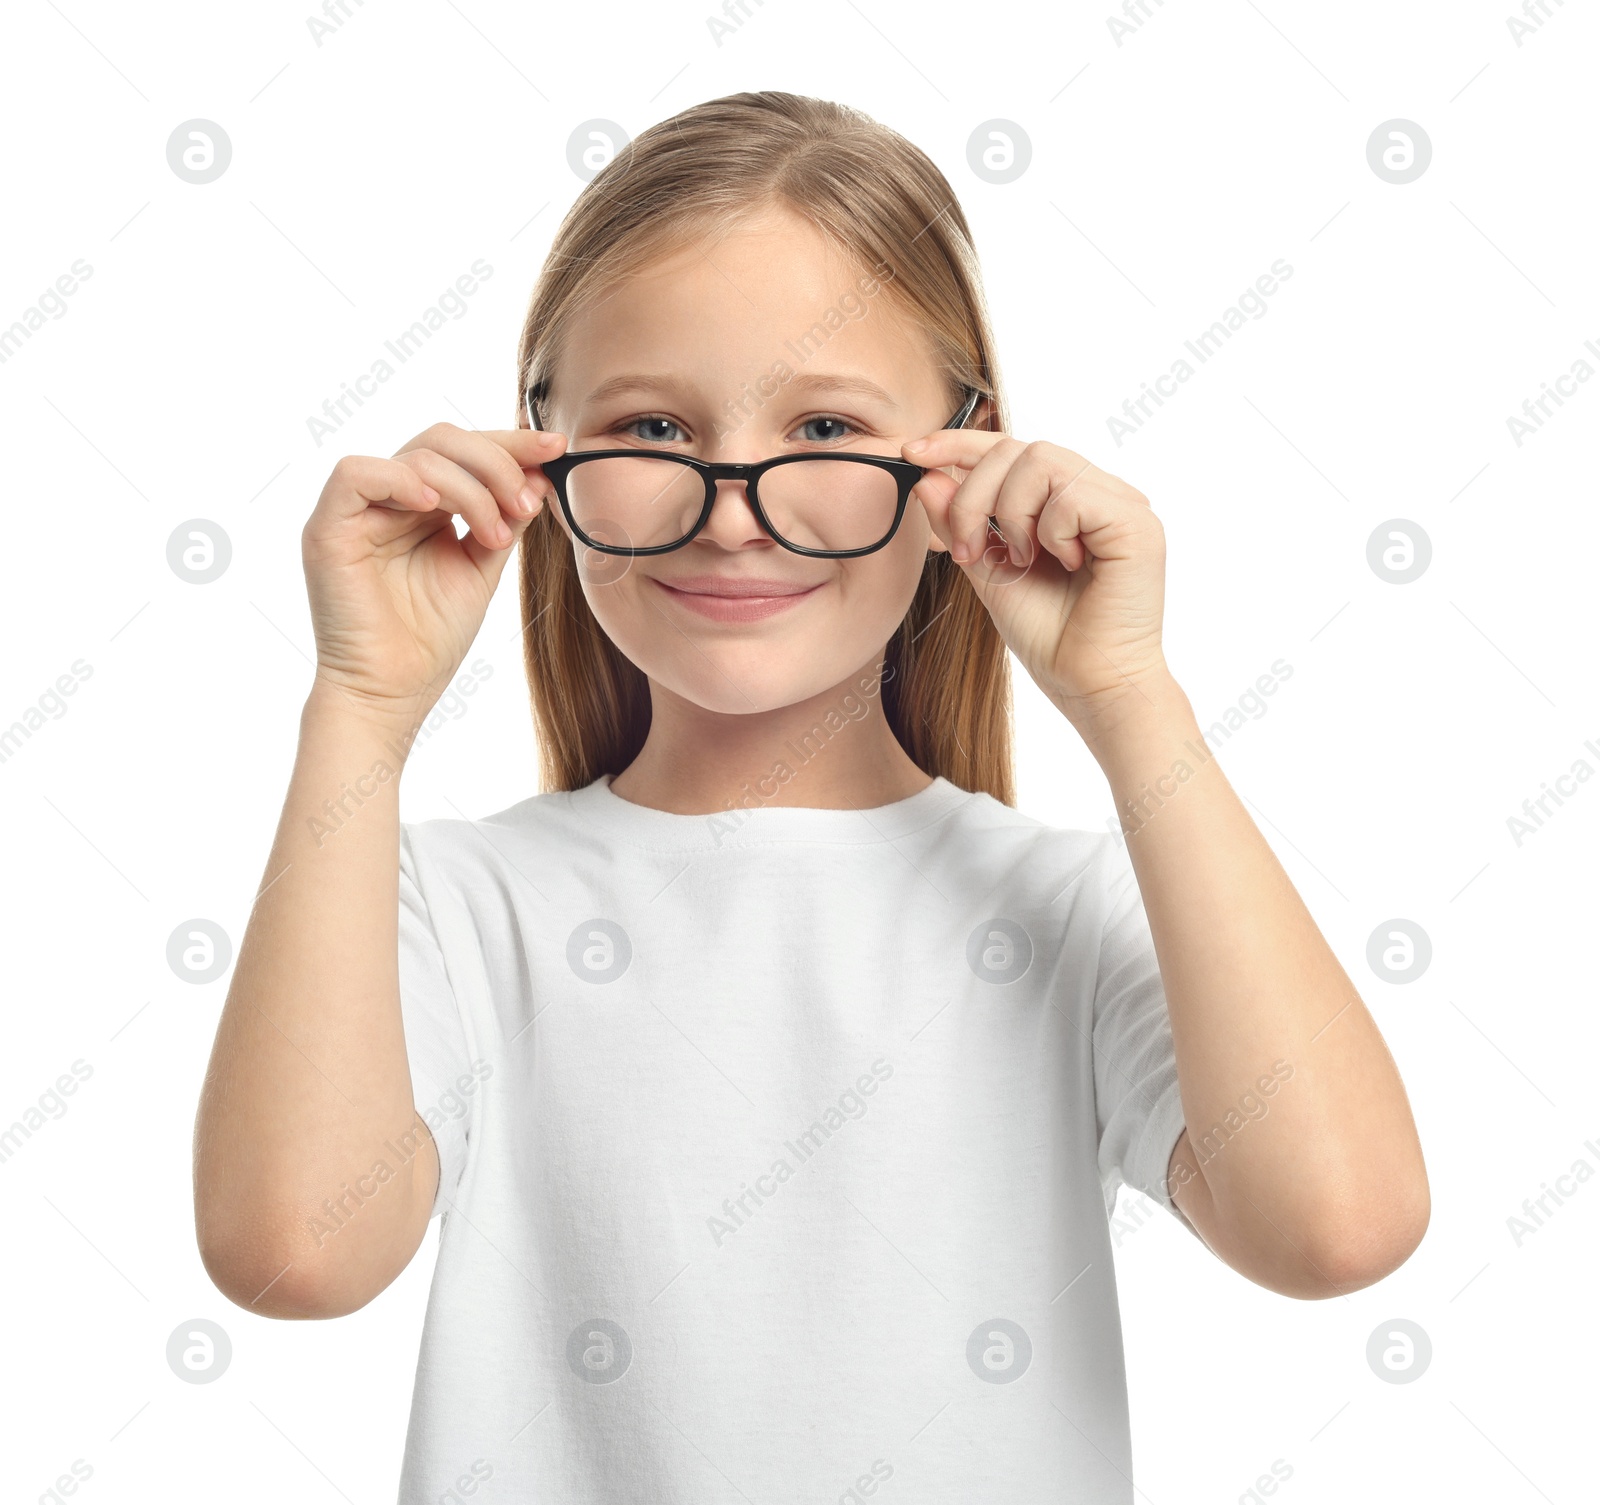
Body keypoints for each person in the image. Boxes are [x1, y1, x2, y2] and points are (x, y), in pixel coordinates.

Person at [192, 90, 1430, 1504]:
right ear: (540, 449)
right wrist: (358, 711)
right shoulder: (453, 905)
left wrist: (1131, 698)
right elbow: (291, 1250)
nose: (730, 508)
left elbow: (1340, 1226)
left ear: (964, 460)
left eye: (827, 425)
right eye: (651, 424)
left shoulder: (1066, 909)